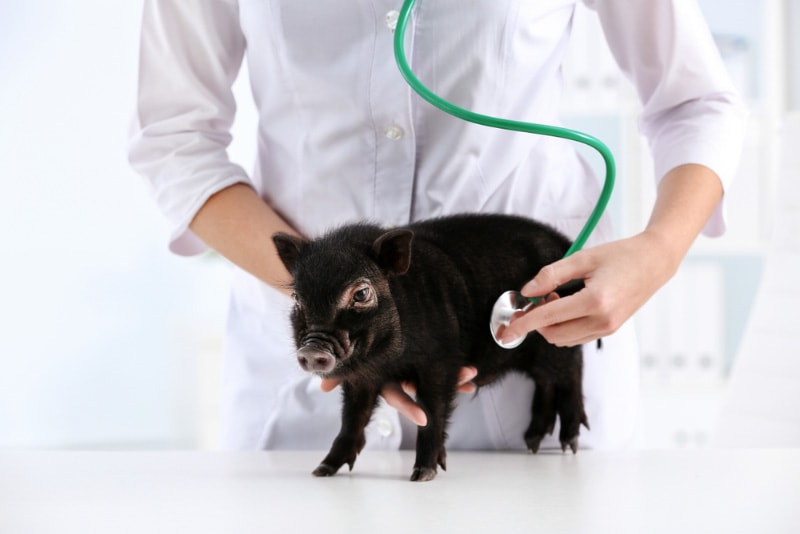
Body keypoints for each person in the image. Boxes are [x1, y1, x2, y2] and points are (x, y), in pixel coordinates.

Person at [129, 0, 747, 451]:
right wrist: (350, 310)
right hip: (307, 382)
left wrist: (659, 251)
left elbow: (694, 101)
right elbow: (175, 136)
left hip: (514, 344)